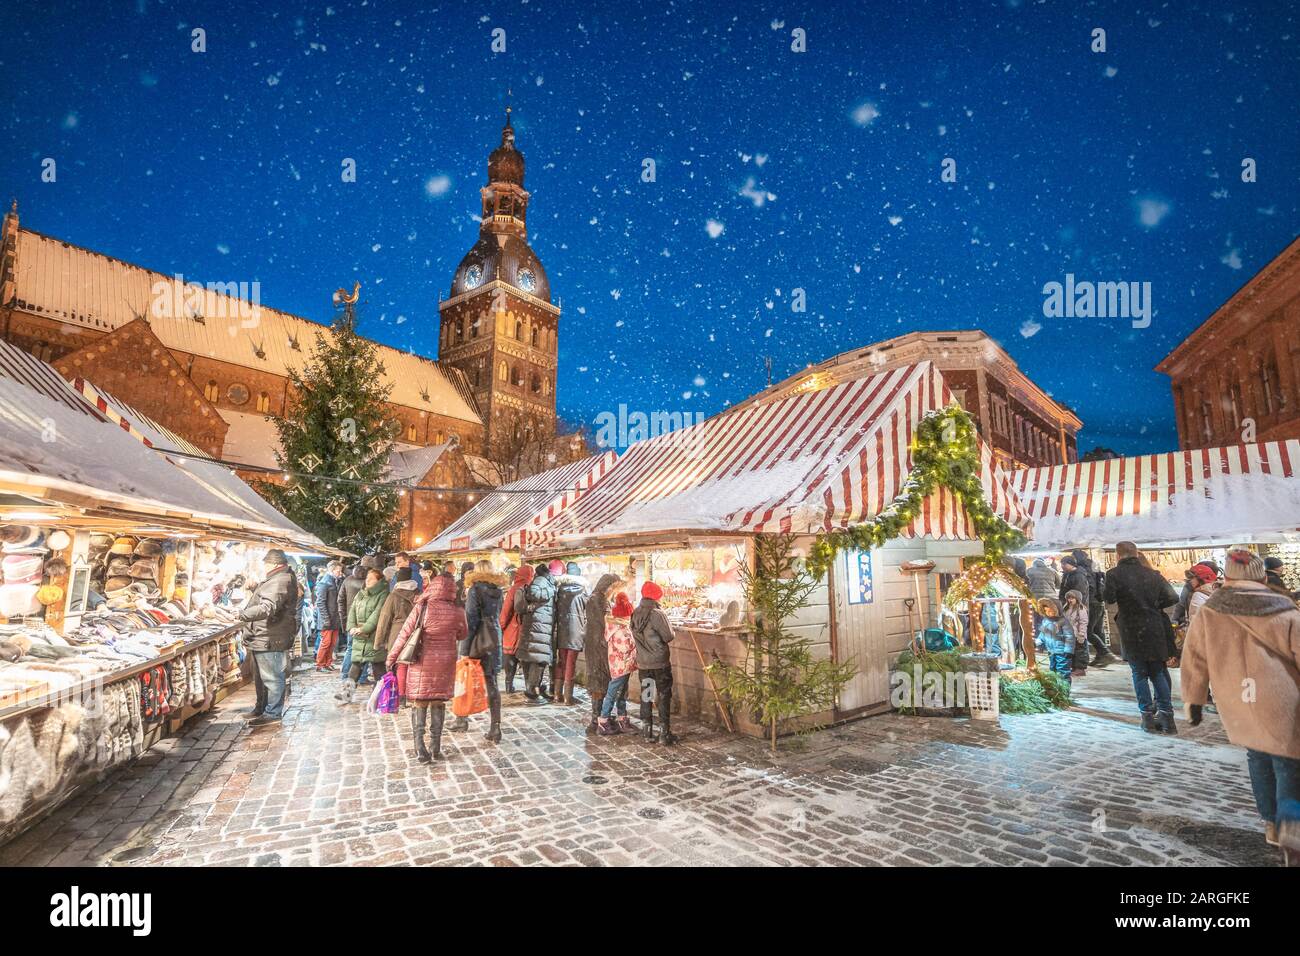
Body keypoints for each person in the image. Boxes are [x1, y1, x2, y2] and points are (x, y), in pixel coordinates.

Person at [1182, 548, 1300, 865]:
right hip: (1281, 698)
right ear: (1262, 577)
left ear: (1228, 577)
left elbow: (1194, 659)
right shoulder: (1283, 608)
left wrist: (1193, 699)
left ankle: (1272, 823)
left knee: (1257, 755)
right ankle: (1293, 827)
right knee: (1288, 760)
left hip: (1236, 701)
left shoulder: (1209, 611)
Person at [1105, 541, 1180, 735]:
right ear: (1136, 553)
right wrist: (1153, 605)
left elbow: (1109, 598)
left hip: (1131, 629)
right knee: (1157, 671)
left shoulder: (1114, 574)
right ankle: (1167, 719)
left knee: (1139, 674)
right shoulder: (1152, 574)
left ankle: (1147, 717)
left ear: (1118, 555)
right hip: (1154, 627)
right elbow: (1173, 597)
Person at [387, 574, 465, 762]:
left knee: (420, 702)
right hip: (445, 662)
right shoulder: (457, 610)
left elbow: (404, 634)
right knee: (438, 702)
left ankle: (420, 747)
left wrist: (391, 658)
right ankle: (435, 746)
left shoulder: (422, 607)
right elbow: (463, 634)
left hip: (422, 662)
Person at [238, 549, 298, 726]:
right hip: (265, 635)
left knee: (272, 678)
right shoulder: (278, 578)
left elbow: (267, 607)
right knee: (262, 678)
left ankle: (272, 713)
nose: (263, 566)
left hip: (271, 636)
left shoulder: (280, 579)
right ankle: (262, 708)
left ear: (274, 564)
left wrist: (242, 614)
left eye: (266, 563)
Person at [457, 560, 508, 742]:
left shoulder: (475, 589)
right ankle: (496, 727)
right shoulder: (498, 590)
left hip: (478, 639)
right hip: (494, 638)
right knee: (492, 682)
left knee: (465, 677)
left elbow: (471, 620)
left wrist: (464, 648)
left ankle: (461, 718)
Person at [632, 580, 677, 745]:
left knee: (647, 695)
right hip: (660, 663)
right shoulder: (658, 614)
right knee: (664, 695)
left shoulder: (635, 613)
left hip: (644, 663)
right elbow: (669, 636)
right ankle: (664, 734)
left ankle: (647, 731)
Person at [336, 568, 389, 703]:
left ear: (379, 580)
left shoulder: (383, 594)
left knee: (378, 667)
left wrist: (365, 629)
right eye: (367, 578)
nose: (367, 581)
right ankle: (346, 694)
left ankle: (382, 696)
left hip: (374, 636)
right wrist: (351, 627)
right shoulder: (361, 593)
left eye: (371, 579)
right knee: (356, 665)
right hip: (359, 636)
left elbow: (378, 614)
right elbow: (353, 609)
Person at [582, 573, 623, 732]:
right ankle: (596, 717)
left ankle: (600, 715)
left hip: (598, 642)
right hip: (598, 644)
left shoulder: (597, 598)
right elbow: (604, 620)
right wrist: (621, 621)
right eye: (613, 587)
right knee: (598, 679)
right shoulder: (597, 599)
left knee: (602, 678)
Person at [517, 563, 557, 703]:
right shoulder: (545, 583)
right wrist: (550, 592)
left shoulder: (540, 581)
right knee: (538, 659)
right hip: (540, 625)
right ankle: (532, 690)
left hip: (535, 623)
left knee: (531, 657)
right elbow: (534, 593)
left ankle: (531, 688)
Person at [598, 591, 638, 734]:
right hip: (620, 666)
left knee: (621, 693)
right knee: (613, 692)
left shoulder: (619, 626)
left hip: (623, 665)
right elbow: (625, 647)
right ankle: (603, 721)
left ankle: (622, 718)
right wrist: (635, 644)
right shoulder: (619, 630)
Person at [374, 564, 420, 686]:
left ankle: (399, 693)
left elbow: (384, 619)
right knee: (412, 665)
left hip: (397, 634)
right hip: (415, 634)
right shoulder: (419, 594)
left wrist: (378, 642)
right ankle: (409, 691)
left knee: (397, 664)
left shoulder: (393, 595)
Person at [552, 561, 589, 706]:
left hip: (562, 630)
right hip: (576, 631)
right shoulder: (583, 590)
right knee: (570, 663)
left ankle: (557, 695)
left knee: (561, 662)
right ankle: (568, 697)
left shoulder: (560, 590)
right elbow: (589, 608)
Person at [500, 564, 534, 693]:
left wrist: (502, 626)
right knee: (526, 658)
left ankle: (509, 685)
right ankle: (528, 686)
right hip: (528, 629)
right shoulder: (532, 588)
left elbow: (506, 611)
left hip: (512, 629)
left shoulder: (514, 589)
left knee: (510, 658)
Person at [336, 560, 369, 681]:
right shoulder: (369, 582)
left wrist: (343, 619)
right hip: (365, 621)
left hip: (351, 620)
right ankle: (362, 677)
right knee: (364, 649)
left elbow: (340, 600)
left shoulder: (347, 581)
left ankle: (345, 674)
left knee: (351, 648)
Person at [1036, 597, 1076, 686]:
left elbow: (1069, 636)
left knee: (1062, 671)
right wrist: (1039, 640)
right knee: (1052, 670)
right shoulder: (1045, 621)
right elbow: (1043, 632)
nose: (1048, 613)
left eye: (1051, 611)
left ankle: (1064, 690)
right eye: (1046, 611)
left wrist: (1069, 650)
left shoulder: (1063, 622)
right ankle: (1055, 688)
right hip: (1051, 651)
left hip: (1062, 652)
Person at [313, 560, 343, 671]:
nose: (340, 573)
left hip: (334, 618)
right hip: (327, 618)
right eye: (338, 571)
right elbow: (320, 602)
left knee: (332, 643)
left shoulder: (335, 581)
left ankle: (327, 663)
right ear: (332, 570)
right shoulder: (324, 583)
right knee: (326, 643)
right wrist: (326, 619)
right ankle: (320, 664)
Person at [1062, 589, 1090, 676]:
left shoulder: (1080, 609)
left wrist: (1081, 634)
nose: (1070, 600)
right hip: (1069, 635)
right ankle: (1074, 667)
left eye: (1072, 598)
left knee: (1080, 652)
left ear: (1077, 599)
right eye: (1069, 598)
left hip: (1078, 635)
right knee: (1071, 652)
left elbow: (1083, 622)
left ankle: (1080, 669)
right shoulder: (1066, 608)